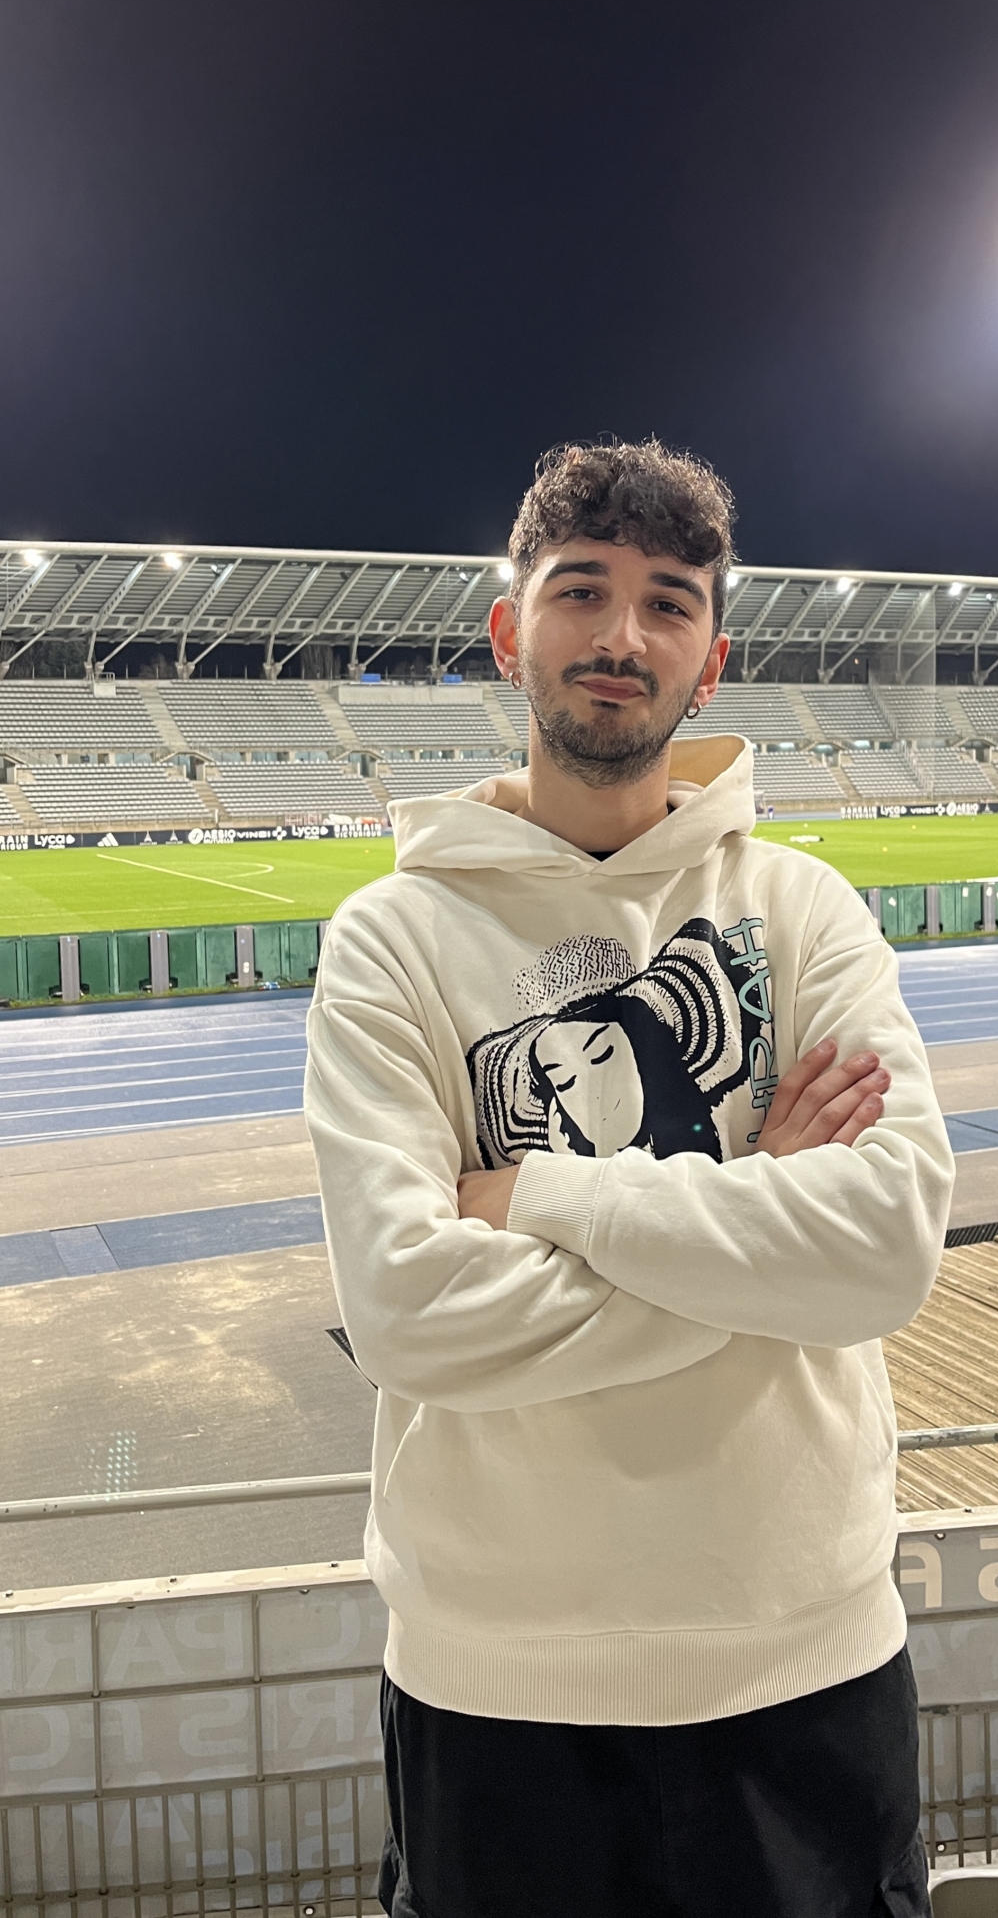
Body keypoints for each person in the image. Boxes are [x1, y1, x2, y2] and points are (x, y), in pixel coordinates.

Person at [304, 439, 955, 1918]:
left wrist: (539, 1198)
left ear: (710, 661)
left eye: (668, 603)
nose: (620, 635)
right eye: (581, 591)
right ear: (507, 630)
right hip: (495, 1689)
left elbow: (887, 1247)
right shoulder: (390, 942)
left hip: (806, 1663)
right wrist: (759, 1232)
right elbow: (408, 1310)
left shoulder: (803, 911)